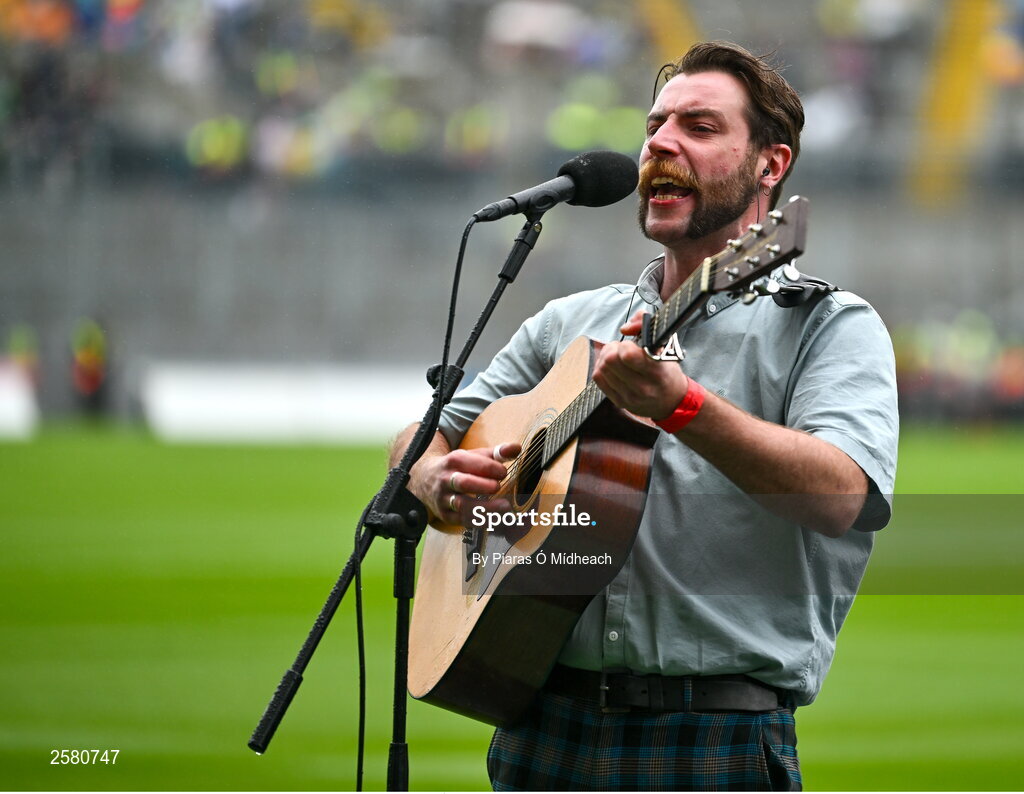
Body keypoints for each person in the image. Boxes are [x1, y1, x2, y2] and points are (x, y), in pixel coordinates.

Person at [390, 41, 898, 791]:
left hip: (714, 736)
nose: (659, 143)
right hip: (539, 728)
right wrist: (432, 477)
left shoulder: (828, 324)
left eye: (698, 127)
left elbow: (841, 497)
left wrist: (685, 408)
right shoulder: (569, 323)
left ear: (771, 166)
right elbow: (424, 432)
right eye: (655, 124)